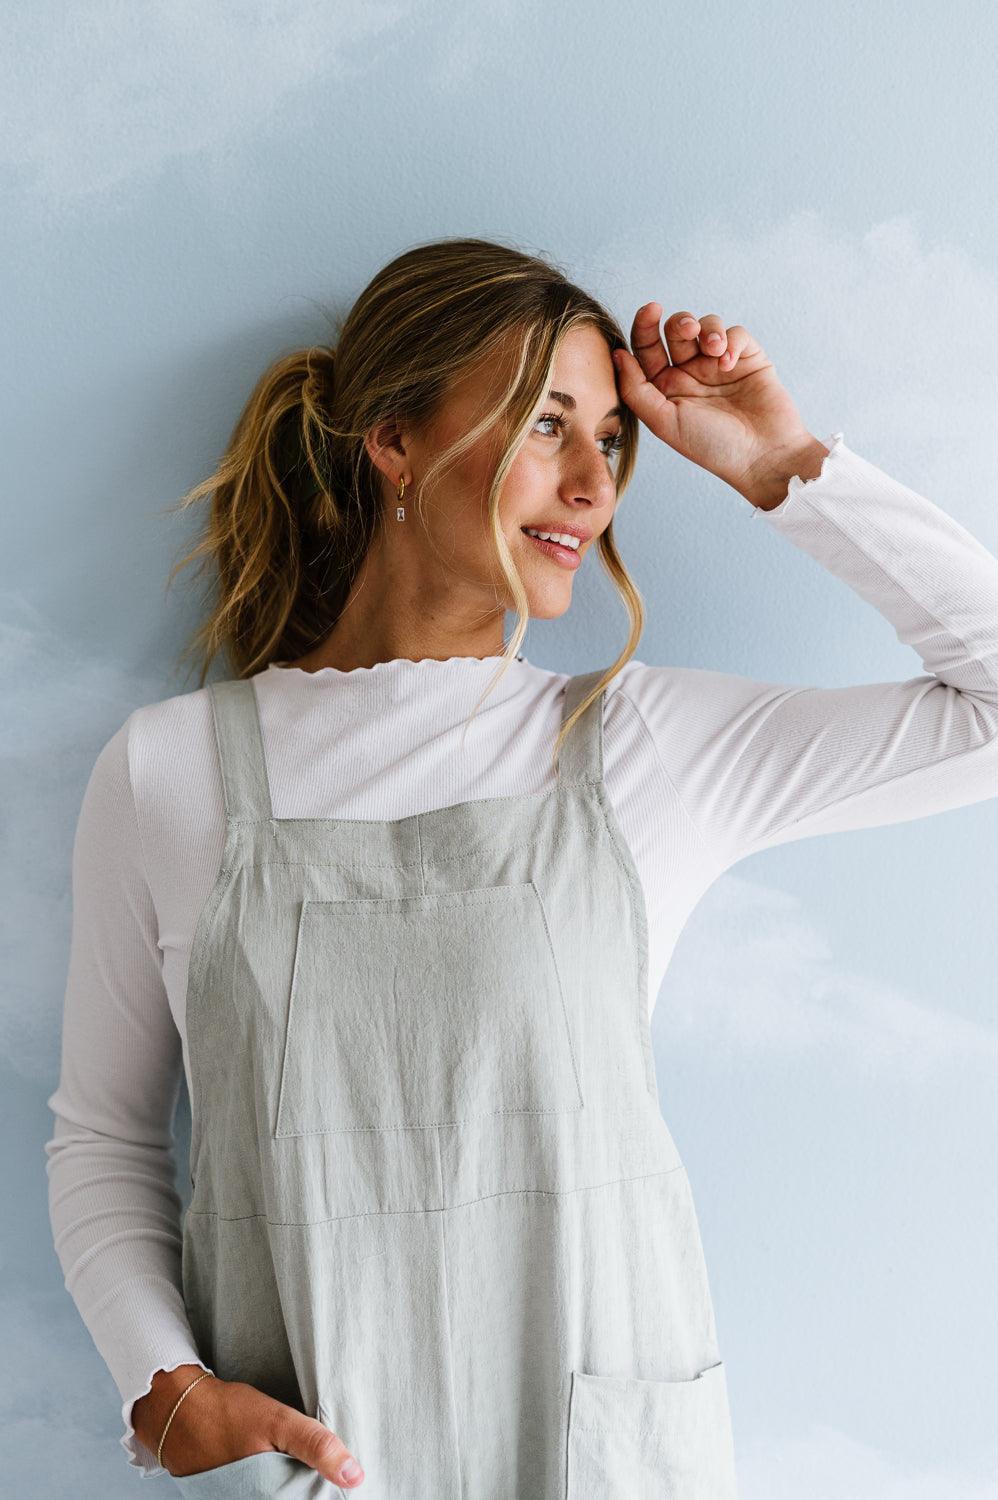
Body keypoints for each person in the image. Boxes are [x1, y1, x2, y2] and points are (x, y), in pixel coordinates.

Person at [44, 236, 998, 1498]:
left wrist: (778, 465)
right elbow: (104, 1135)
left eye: (609, 439)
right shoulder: (171, 772)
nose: (591, 484)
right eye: (547, 425)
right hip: (314, 1467)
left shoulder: (639, 746)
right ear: (393, 440)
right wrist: (163, 1388)